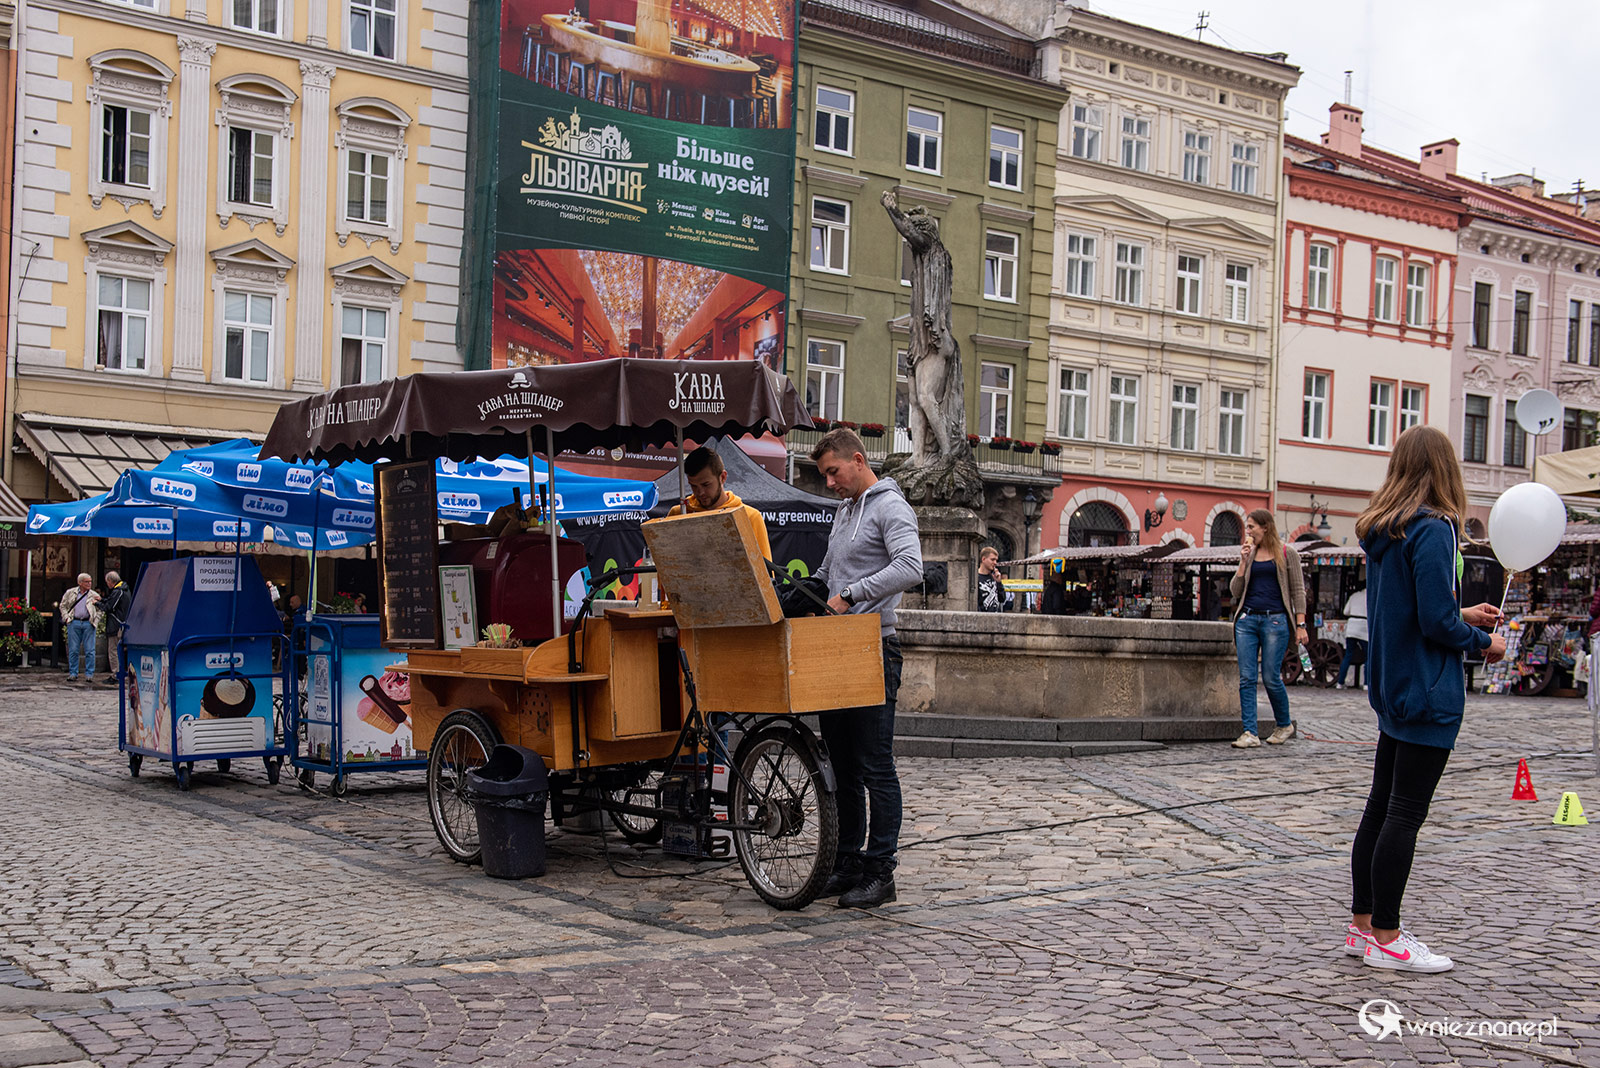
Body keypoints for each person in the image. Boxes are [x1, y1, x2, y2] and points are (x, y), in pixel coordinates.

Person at [1347, 425, 1505, 973]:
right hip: (1426, 689)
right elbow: (1435, 620)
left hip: (1392, 685)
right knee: (1404, 815)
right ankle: (1388, 937)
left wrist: (1462, 615)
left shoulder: (1385, 529)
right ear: (1445, 470)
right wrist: (1486, 641)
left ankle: (1363, 925)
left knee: (1379, 807)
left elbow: (1409, 610)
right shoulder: (1434, 528)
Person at [810, 427, 923, 909]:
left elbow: (911, 567)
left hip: (875, 648)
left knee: (875, 765)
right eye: (825, 476)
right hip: (838, 649)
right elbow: (829, 573)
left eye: (833, 472)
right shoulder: (843, 511)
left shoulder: (889, 506)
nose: (830, 483)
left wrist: (853, 594)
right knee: (843, 765)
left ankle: (881, 871)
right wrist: (801, 591)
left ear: (858, 460)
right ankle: (849, 863)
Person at [1228, 510, 1306, 748]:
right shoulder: (1250, 554)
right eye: (1247, 527)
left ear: (1265, 527)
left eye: (1251, 527)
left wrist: (1301, 624)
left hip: (1275, 621)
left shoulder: (1286, 553)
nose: (1248, 532)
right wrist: (1242, 562)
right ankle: (1250, 732)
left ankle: (1284, 725)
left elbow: (1297, 590)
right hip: (1247, 620)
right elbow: (1235, 590)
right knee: (1247, 678)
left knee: (1271, 677)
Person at [666, 447, 772, 563]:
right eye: (694, 486)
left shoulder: (750, 517)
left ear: (723, 477)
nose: (700, 492)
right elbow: (666, 566)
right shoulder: (678, 514)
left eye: (706, 485)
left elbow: (765, 574)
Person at [58, 573, 102, 683]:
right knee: (73, 649)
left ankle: (89, 674)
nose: (89, 584)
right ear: (80, 583)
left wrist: (95, 621)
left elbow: (101, 609)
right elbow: (62, 606)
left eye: (90, 581)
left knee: (90, 650)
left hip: (88, 623)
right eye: (87, 582)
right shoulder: (70, 593)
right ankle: (73, 673)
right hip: (74, 622)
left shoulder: (94, 594)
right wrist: (66, 618)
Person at [100, 570, 132, 686]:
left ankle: (116, 674)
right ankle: (119, 673)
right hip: (122, 624)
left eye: (107, 582)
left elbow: (110, 607)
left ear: (110, 581)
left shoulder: (118, 591)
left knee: (113, 651)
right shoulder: (125, 589)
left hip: (116, 624)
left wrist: (98, 604)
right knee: (119, 650)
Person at [1335, 586, 1369, 690]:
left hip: (1352, 626)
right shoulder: (1370, 596)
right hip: (1364, 626)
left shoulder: (1354, 596)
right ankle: (1366, 684)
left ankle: (1340, 682)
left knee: (1348, 655)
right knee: (1368, 657)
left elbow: (1345, 611)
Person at [975, 547, 1008, 612]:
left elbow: (1002, 599)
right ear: (983, 559)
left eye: (996, 560)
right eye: (992, 560)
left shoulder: (994, 576)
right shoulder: (976, 577)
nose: (995, 563)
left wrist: (999, 582)